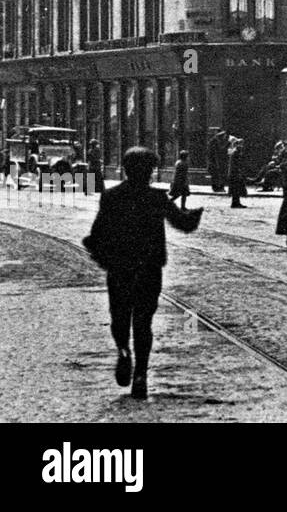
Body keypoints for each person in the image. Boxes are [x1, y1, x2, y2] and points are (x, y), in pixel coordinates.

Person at [82, 146, 203, 400]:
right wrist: (195, 215)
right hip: (149, 269)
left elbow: (97, 233)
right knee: (143, 323)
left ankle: (123, 350)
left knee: (120, 317)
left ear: (125, 169)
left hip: (120, 268)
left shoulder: (112, 197)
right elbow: (184, 224)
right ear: (150, 172)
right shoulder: (157, 198)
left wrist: (97, 249)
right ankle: (141, 375)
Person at [226, 135, 247, 208]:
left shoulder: (234, 151)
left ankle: (236, 202)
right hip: (235, 173)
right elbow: (236, 164)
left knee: (236, 189)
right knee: (236, 189)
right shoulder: (236, 152)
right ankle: (235, 203)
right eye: (240, 144)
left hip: (234, 173)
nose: (242, 146)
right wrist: (239, 172)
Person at [206, 128, 228, 192]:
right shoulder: (215, 141)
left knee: (216, 176)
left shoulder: (214, 141)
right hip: (216, 163)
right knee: (217, 176)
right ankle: (218, 188)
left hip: (216, 162)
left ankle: (217, 188)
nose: (224, 136)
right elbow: (218, 152)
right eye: (223, 135)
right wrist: (227, 144)